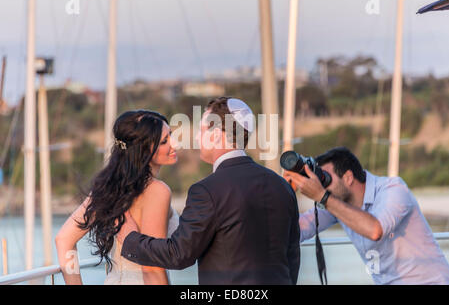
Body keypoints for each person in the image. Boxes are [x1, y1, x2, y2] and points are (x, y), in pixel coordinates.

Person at [117, 97, 300, 285]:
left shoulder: (206, 191)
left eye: (202, 131)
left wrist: (131, 240)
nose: (196, 138)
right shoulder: (282, 186)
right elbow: (292, 257)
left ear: (217, 135)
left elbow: (180, 254)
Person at [284, 146, 449, 285]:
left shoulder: (393, 189)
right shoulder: (337, 203)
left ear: (348, 177)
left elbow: (375, 230)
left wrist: (322, 196)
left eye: (325, 179)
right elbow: (296, 231)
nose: (323, 186)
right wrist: (284, 192)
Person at [55, 110, 180, 285]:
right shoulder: (158, 191)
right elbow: (152, 269)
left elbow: (64, 239)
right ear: (144, 149)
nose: (175, 144)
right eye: (165, 141)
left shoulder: (109, 188)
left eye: (171, 136)